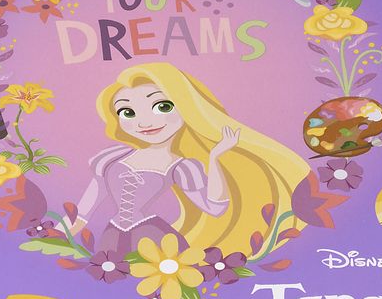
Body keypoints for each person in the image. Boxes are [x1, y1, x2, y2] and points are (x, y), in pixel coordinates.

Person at [69, 62, 312, 255]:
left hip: (155, 239)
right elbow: (84, 210)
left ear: (186, 107)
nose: (144, 122)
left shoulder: (181, 167)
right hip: (111, 239)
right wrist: (60, 234)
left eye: (162, 107)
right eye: (127, 112)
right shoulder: (110, 158)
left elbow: (214, 208)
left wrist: (215, 158)